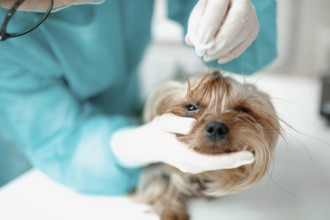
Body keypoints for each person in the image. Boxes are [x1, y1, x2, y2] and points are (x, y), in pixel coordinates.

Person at [0, 0, 277, 195]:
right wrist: (130, 145)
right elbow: (56, 139)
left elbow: (243, 48)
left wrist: (230, 15)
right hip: (40, 158)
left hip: (123, 102)